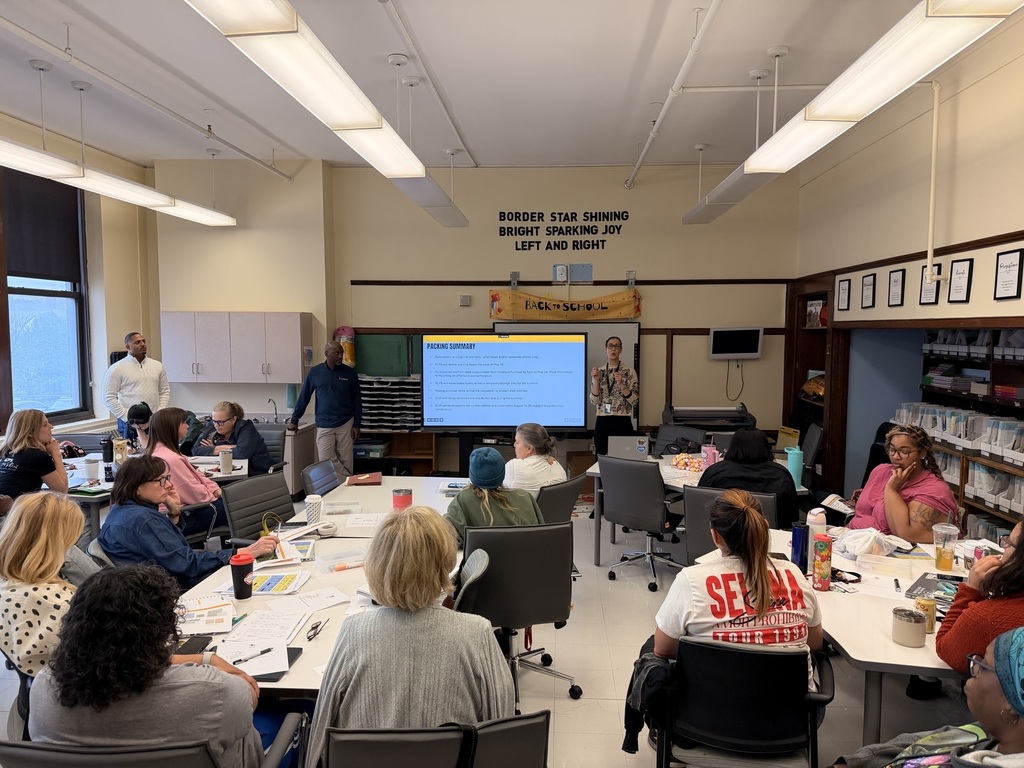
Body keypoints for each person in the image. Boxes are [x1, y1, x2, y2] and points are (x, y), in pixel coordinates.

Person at [305, 506, 514, 768]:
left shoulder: (353, 632)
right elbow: (502, 733)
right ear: (445, 565)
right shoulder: (478, 633)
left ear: (378, 566)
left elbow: (320, 735)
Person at [28, 564, 266, 768]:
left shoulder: (44, 686)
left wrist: (205, 658)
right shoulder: (210, 691)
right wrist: (209, 662)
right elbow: (249, 696)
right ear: (161, 630)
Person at [653, 489, 822, 664]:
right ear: (764, 526)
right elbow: (815, 643)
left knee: (652, 644)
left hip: (713, 682)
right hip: (788, 683)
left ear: (715, 536)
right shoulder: (794, 573)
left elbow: (663, 649)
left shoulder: (691, 581)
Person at [832, 627, 1024, 767]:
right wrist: (854, 763)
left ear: (1012, 704)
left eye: (984, 666)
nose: (973, 667)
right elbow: (924, 742)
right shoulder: (991, 733)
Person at [98, 455, 278, 589]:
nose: (169, 485)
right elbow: (186, 564)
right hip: (173, 589)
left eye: (167, 478)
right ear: (137, 488)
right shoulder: (144, 520)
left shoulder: (120, 510)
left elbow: (169, 550)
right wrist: (242, 552)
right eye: (160, 481)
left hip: (153, 582)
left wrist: (174, 514)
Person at [0, 492, 83, 676]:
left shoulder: (7, 584)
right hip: (66, 683)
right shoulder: (60, 603)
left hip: (34, 678)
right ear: (57, 545)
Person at [935, 522, 1024, 676]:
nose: (1003, 548)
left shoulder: (988, 616)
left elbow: (945, 647)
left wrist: (971, 589)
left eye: (1009, 543)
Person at [848, 424, 958, 544]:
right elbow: (860, 515)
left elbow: (907, 534)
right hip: (851, 539)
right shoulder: (880, 471)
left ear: (922, 453)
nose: (896, 456)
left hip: (885, 549)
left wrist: (891, 490)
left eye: (904, 452)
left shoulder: (934, 490)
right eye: (892, 450)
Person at [146, 407, 227, 535]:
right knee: (236, 507)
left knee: (231, 503)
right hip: (182, 516)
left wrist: (215, 489)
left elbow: (199, 476)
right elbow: (196, 494)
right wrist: (214, 495)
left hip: (177, 512)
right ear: (172, 428)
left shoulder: (160, 451)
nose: (188, 426)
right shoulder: (170, 458)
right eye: (184, 423)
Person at [697, 427, 800, 528]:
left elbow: (699, 510)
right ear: (766, 448)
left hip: (722, 535)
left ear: (732, 447)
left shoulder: (714, 472)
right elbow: (792, 519)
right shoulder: (781, 475)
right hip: (768, 536)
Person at [288, 341, 361, 479]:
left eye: (341, 353)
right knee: (325, 460)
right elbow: (304, 397)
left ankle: (347, 486)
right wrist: (294, 419)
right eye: (336, 353)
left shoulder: (350, 373)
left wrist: (357, 424)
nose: (340, 356)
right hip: (324, 423)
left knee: (346, 460)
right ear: (326, 354)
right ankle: (348, 479)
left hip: (346, 422)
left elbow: (357, 400)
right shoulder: (315, 373)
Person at [444, 446, 545, 546]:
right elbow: (541, 535)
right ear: (502, 472)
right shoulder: (524, 497)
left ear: (472, 473)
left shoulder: (463, 500)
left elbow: (446, 537)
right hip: (524, 555)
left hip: (483, 556)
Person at [101, 332, 171, 440]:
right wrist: (127, 417)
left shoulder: (157, 365)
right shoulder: (117, 369)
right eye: (137, 342)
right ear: (128, 347)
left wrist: (158, 414)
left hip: (153, 420)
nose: (143, 344)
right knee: (132, 450)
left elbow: (164, 391)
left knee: (156, 449)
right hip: (129, 423)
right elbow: (108, 397)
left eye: (144, 341)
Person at [0, 410, 69, 498]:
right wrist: (56, 454)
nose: (51, 427)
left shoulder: (6, 451)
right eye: (45, 425)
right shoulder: (37, 456)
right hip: (20, 506)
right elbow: (62, 491)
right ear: (30, 433)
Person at [192, 401, 273, 475]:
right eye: (214, 421)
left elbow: (241, 453)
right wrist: (225, 448)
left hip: (256, 473)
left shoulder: (246, 427)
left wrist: (213, 449)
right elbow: (195, 450)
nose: (216, 425)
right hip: (225, 472)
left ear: (233, 419)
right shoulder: (211, 426)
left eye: (221, 422)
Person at [590, 336, 638, 456]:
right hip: (603, 420)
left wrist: (622, 384)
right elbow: (594, 401)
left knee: (623, 458)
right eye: (610, 346)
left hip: (622, 420)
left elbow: (634, 401)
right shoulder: (599, 372)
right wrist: (595, 381)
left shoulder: (629, 372)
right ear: (605, 350)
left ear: (621, 350)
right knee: (601, 457)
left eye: (616, 346)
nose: (613, 349)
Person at [503, 422, 566, 496]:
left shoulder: (514, 467)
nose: (514, 445)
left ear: (529, 449)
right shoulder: (557, 467)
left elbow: (494, 490)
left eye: (517, 442)